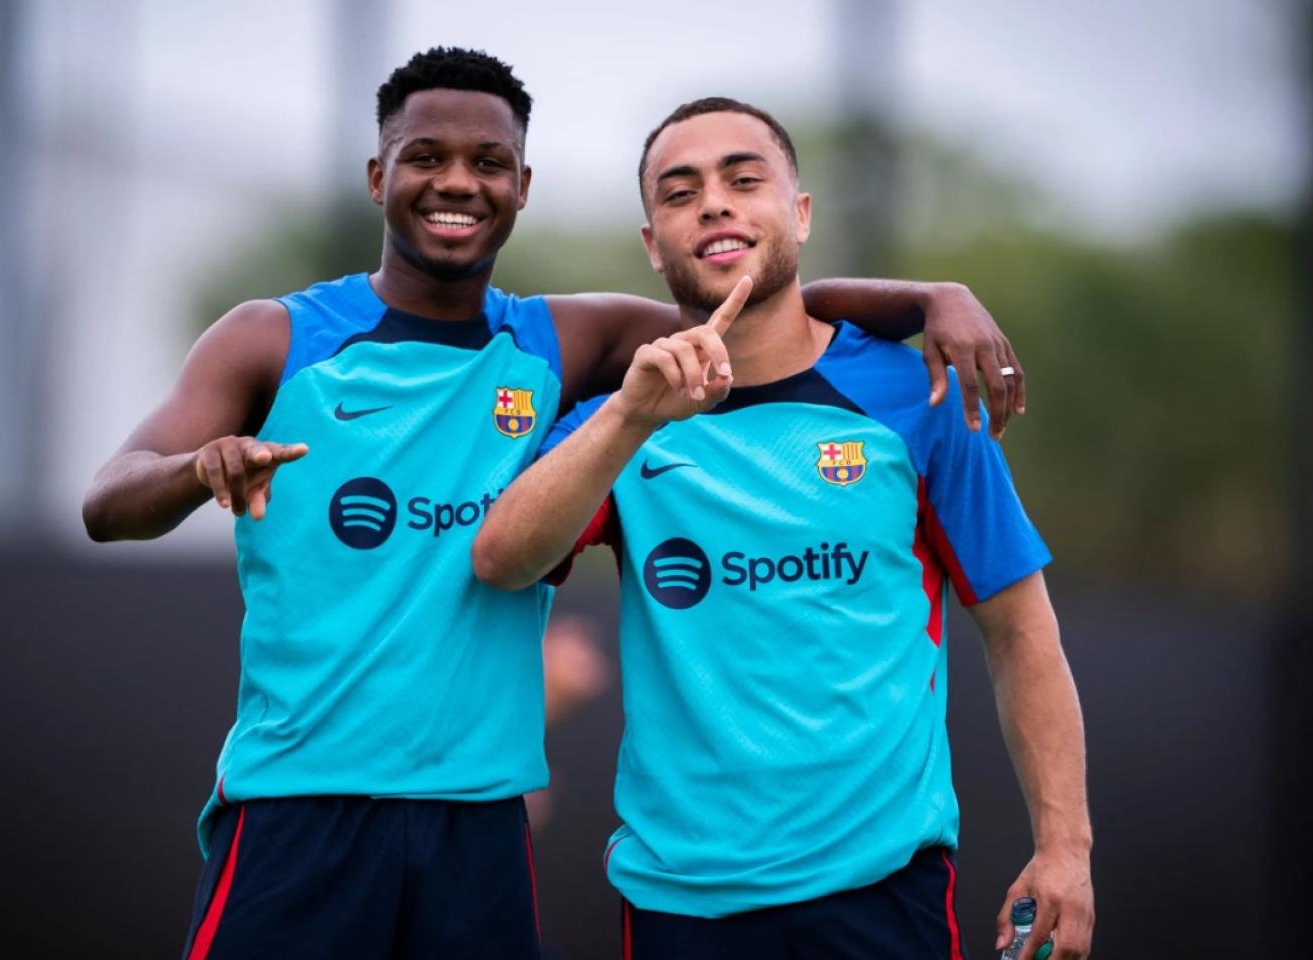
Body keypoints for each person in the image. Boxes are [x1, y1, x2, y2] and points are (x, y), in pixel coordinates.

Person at [83, 46, 1029, 959]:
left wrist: (930, 300)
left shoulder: (564, 343)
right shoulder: (275, 338)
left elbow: (758, 302)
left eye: (488, 162)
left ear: (522, 187)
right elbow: (107, 501)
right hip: (298, 805)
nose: (458, 182)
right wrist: (196, 467)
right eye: (426, 157)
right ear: (379, 177)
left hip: (480, 822)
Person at [473, 97, 1094, 959]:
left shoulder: (919, 396)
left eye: (743, 180)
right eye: (680, 193)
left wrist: (1066, 849)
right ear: (653, 243)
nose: (714, 205)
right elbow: (500, 559)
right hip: (681, 904)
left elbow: (1021, 630)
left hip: (882, 895)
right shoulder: (625, 417)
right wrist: (628, 418)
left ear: (799, 214)